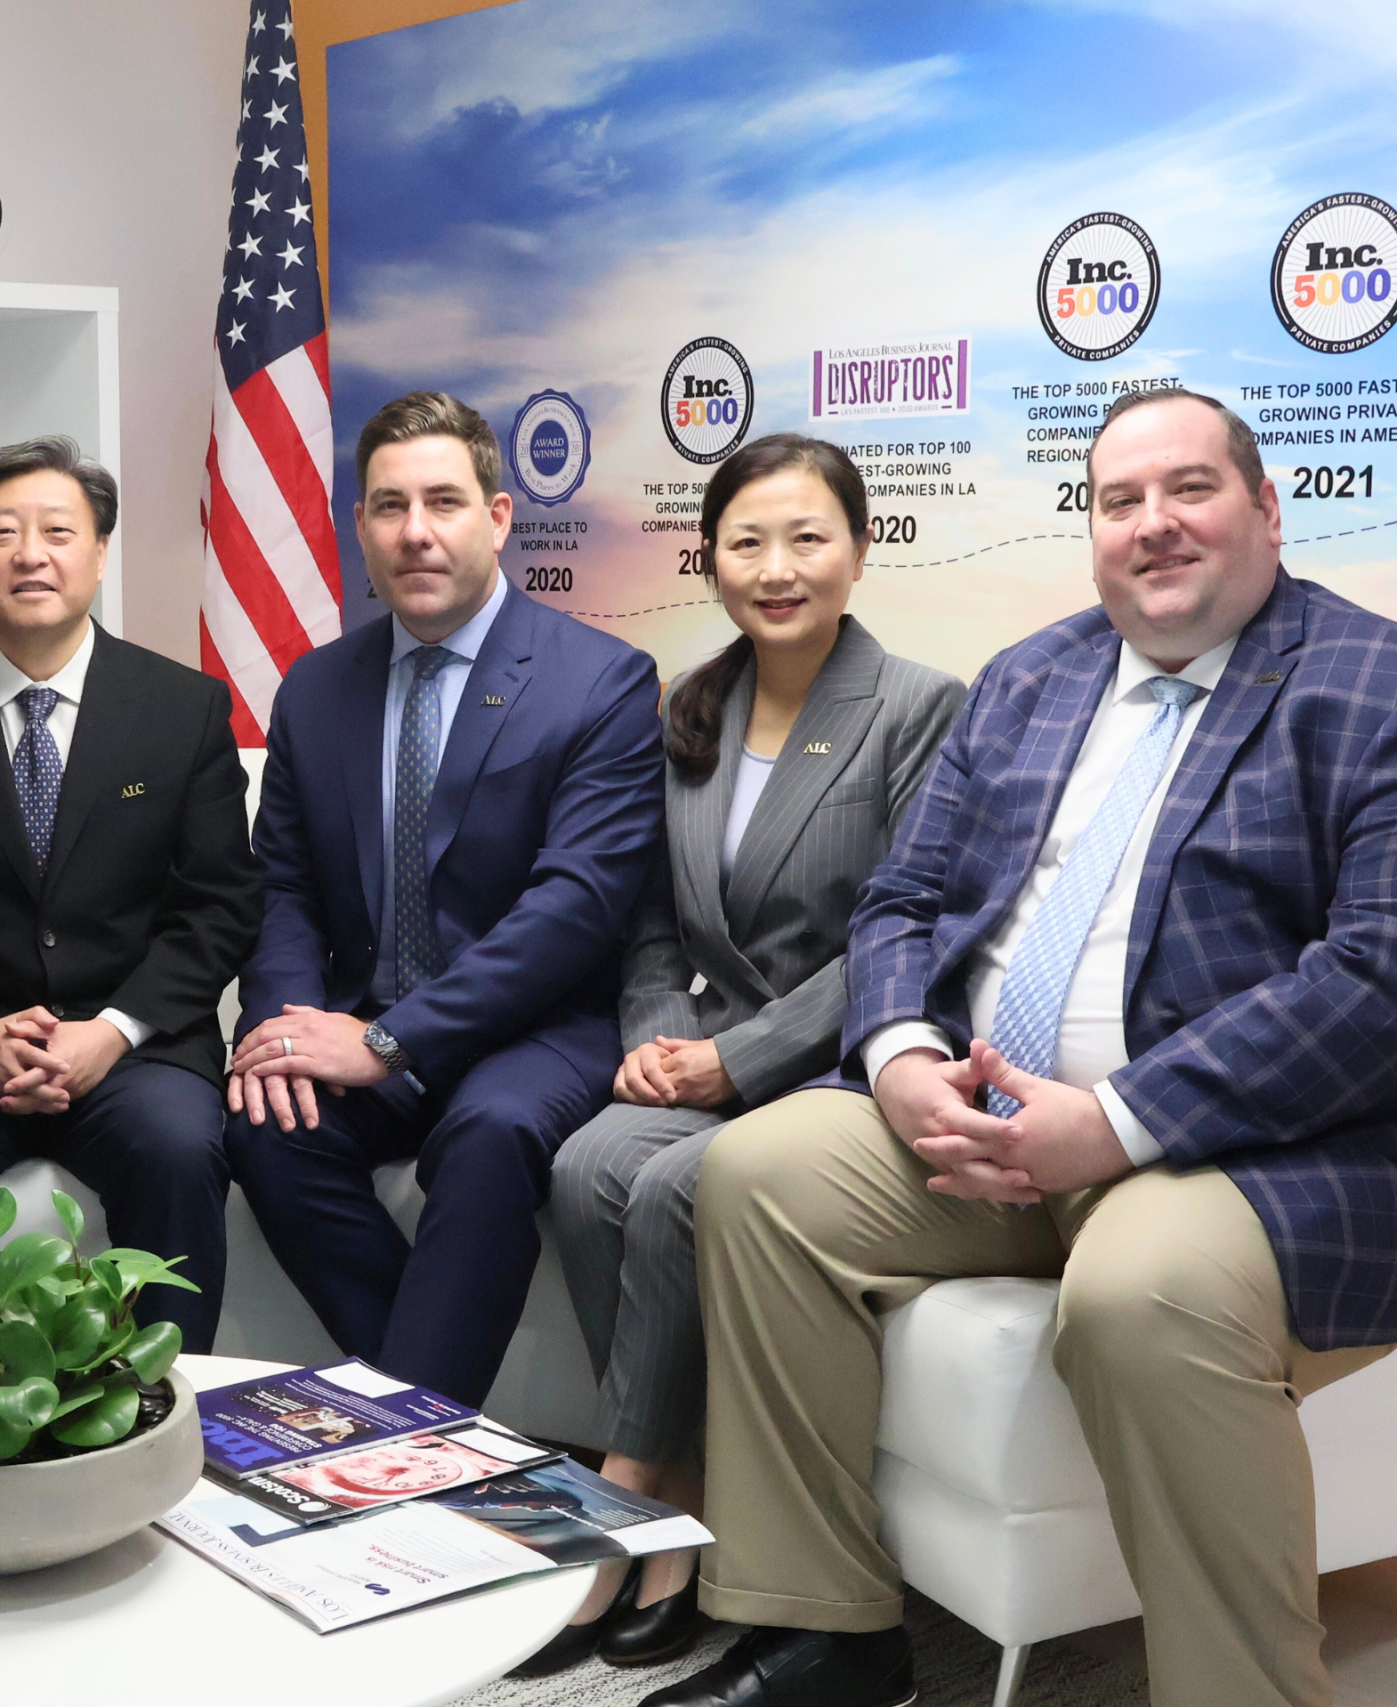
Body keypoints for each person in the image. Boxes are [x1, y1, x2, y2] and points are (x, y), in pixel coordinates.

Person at [652, 389, 1397, 1707]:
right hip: (992, 1110)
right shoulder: (1029, 678)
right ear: (1093, 529)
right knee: (759, 1173)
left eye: (1190, 491)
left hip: (1269, 1153)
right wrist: (896, 1057)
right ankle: (828, 1628)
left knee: (1141, 1292)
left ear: (1268, 510)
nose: (1152, 525)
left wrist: (1111, 1121)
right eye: (1119, 501)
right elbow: (902, 901)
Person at [519, 436, 964, 1677]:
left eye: (807, 538)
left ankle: (628, 1515)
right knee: (587, 1161)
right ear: (707, 555)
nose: (776, 568)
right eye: (746, 541)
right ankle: (686, 1488)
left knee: (670, 1184)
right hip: (705, 1051)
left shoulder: (923, 708)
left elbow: (905, 930)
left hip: (842, 1064)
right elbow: (652, 917)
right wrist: (663, 1041)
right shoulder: (691, 704)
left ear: (861, 550)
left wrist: (738, 1062)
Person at [227, 390, 665, 1408]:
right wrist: (284, 1029)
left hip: (536, 1027)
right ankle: (434, 1423)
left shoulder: (597, 683)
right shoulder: (315, 688)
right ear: (361, 527)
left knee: (489, 1132)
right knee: (262, 1125)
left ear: (498, 517)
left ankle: (405, 1451)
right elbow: (283, 887)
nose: (414, 533)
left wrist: (386, 1044)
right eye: (387, 507)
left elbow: (573, 908)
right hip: (365, 1017)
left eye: (442, 502)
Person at [0, 436, 259, 1350]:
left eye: (58, 530)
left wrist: (110, 1031)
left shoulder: (184, 708)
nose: (31, 553)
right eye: (2, 532)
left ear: (99, 552)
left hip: (132, 1043)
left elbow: (218, 905)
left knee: (178, 1149)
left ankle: (164, 1414)